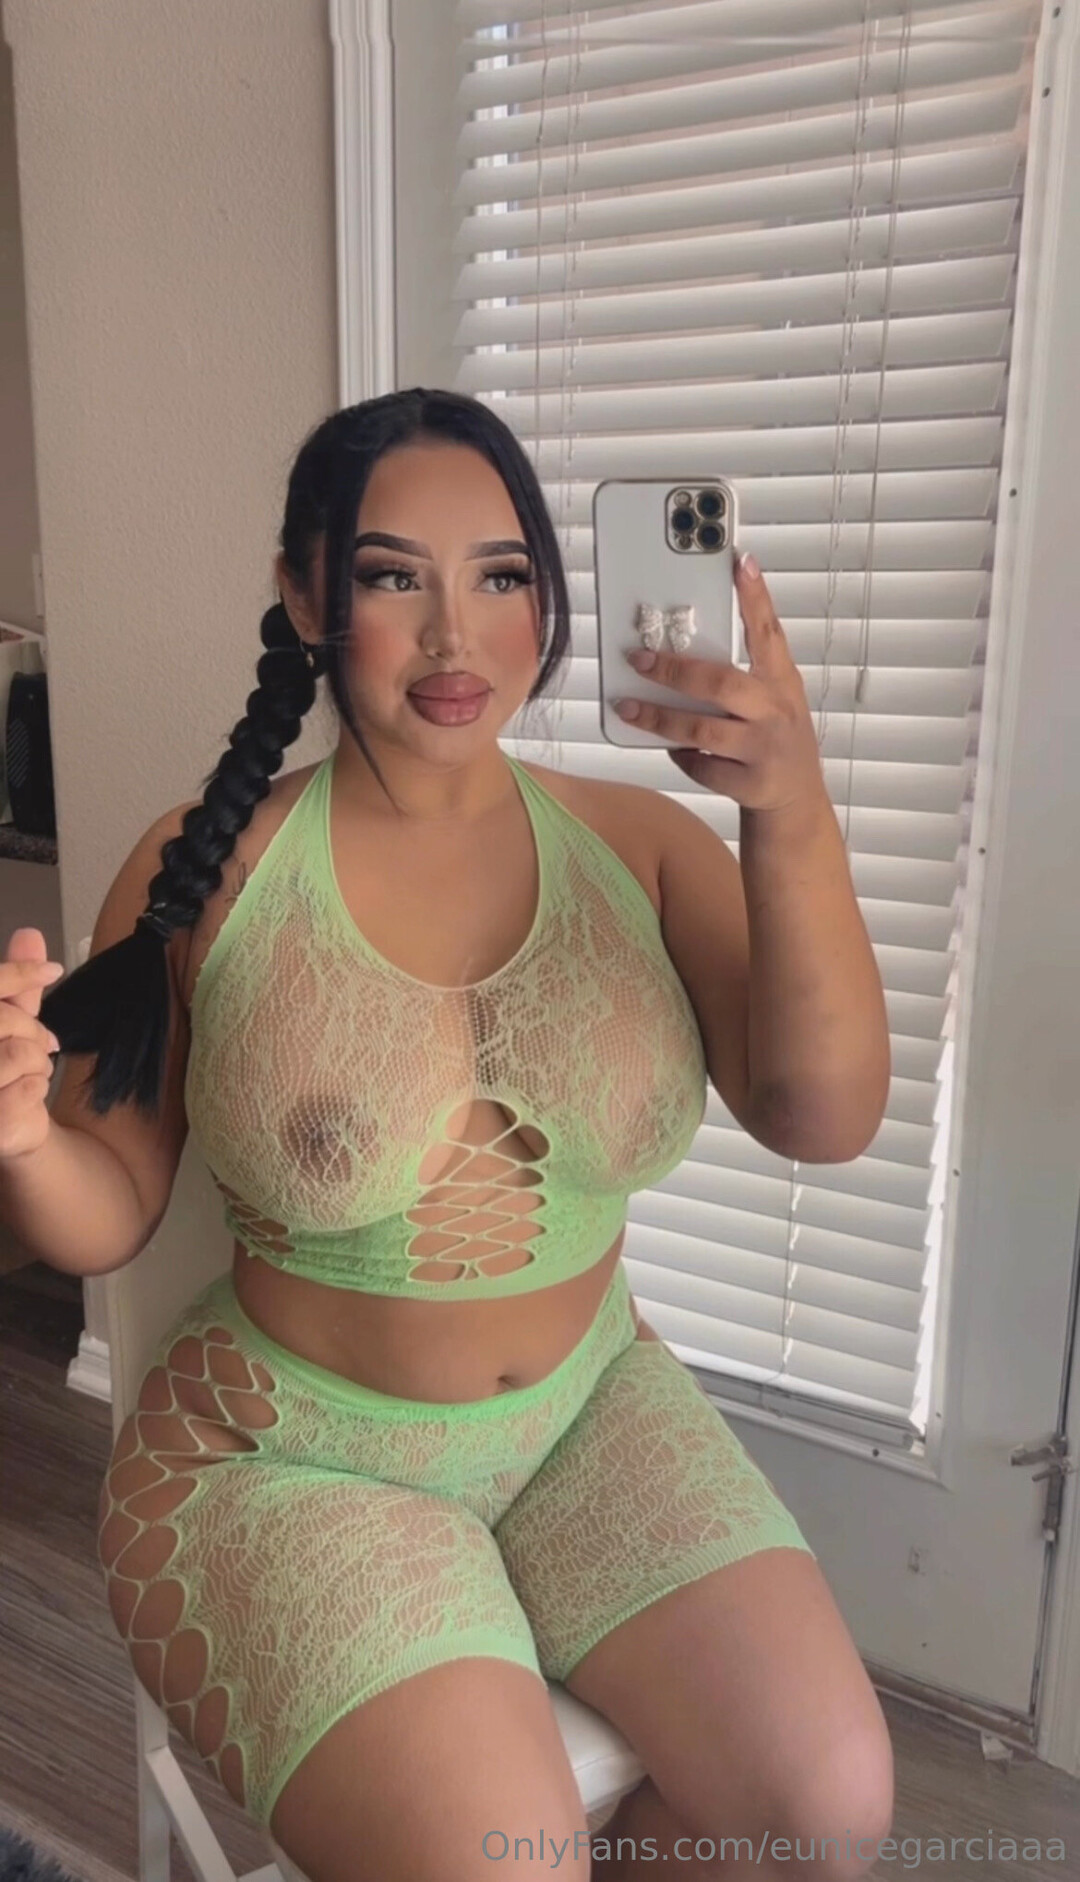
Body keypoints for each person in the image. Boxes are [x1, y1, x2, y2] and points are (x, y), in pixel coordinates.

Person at [1, 390, 894, 1882]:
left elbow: (825, 1116)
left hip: (585, 1413)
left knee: (827, 1809)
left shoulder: (643, 851)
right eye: (390, 576)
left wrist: (789, 812)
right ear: (305, 599)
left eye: (500, 574)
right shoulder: (202, 869)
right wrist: (24, 1139)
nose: (452, 634)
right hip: (286, 1459)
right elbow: (110, 1208)